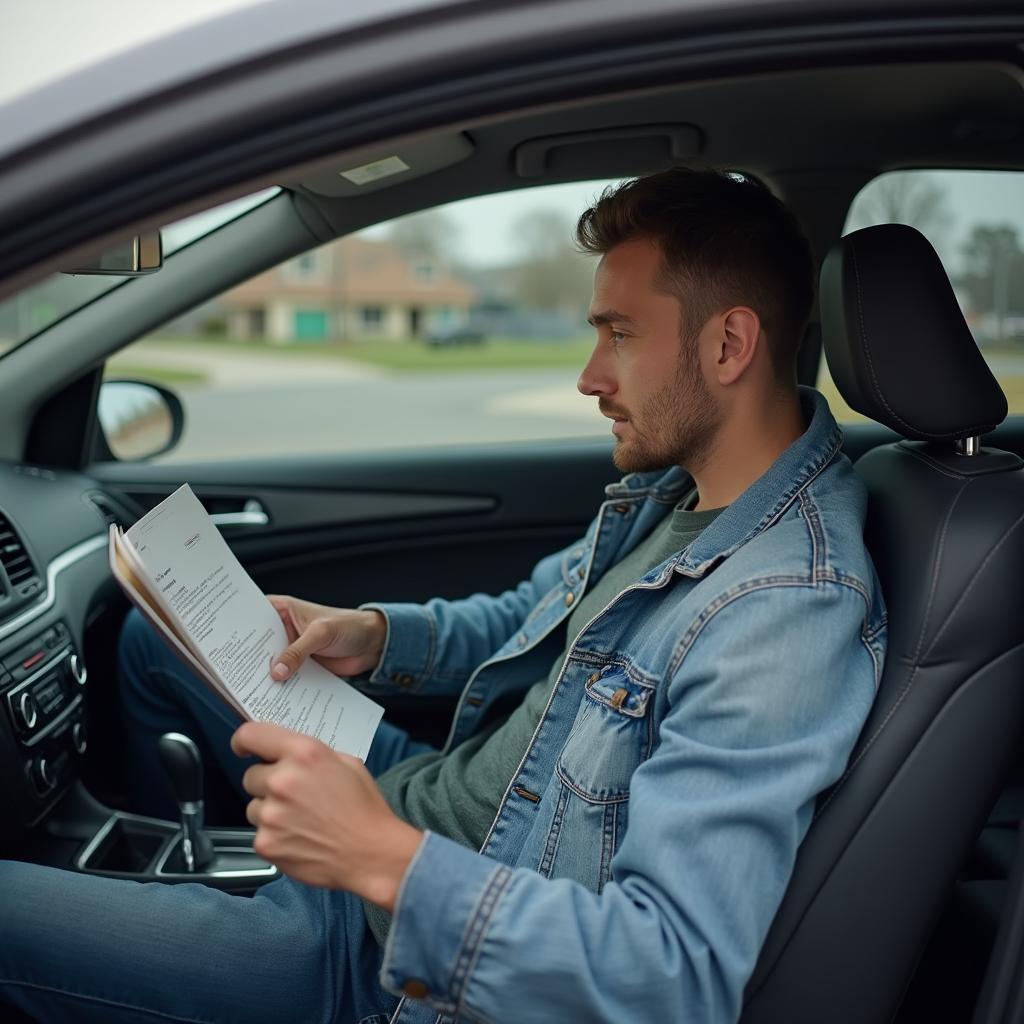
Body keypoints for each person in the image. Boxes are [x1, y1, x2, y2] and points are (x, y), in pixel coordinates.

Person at [0, 167, 885, 1024]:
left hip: (387, 958)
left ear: (728, 345)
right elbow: (531, 616)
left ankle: (238, 953)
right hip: (424, 802)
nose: (589, 376)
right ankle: (203, 908)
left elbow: (668, 979)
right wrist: (376, 636)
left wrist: (379, 858)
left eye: (618, 333)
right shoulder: (680, 493)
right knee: (160, 641)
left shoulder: (783, 609)